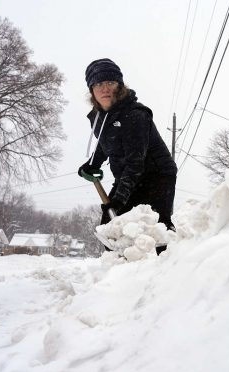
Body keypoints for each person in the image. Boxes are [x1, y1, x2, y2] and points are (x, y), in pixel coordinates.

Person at [78, 58, 178, 253]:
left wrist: (120, 198)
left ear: (120, 86)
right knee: (110, 223)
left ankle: (168, 265)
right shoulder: (99, 117)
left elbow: (135, 162)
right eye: (99, 84)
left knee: (155, 225)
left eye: (110, 83)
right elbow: (106, 143)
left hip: (157, 175)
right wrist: (93, 163)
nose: (105, 88)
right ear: (92, 90)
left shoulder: (135, 115)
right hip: (128, 174)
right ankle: (117, 270)